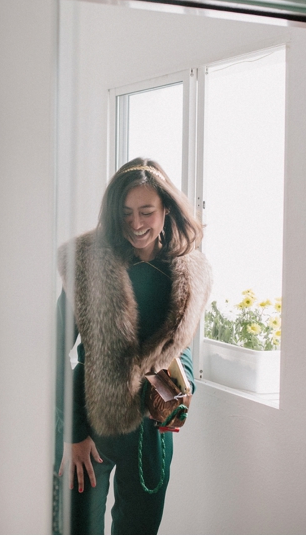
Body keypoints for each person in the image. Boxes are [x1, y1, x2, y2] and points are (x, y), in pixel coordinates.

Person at [55, 158, 212, 535]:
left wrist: (180, 386)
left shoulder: (184, 274)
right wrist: (72, 434)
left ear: (166, 210)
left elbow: (180, 349)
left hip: (149, 434)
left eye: (146, 212)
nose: (137, 224)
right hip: (88, 424)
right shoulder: (89, 264)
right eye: (126, 213)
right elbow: (53, 348)